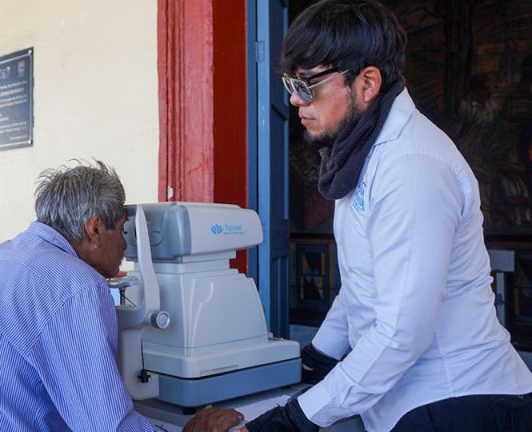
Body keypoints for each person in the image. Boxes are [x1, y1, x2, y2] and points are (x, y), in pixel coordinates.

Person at [184, 1, 532, 431]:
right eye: (291, 82)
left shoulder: (412, 166)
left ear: (367, 83)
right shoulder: (362, 152)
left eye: (309, 84)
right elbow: (361, 288)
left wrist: (286, 421)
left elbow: (401, 333)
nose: (294, 99)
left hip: (458, 398)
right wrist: (313, 362)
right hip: (406, 402)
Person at [0, 160, 237, 431]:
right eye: (123, 230)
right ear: (96, 228)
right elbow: (106, 426)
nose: (126, 246)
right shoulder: (77, 284)